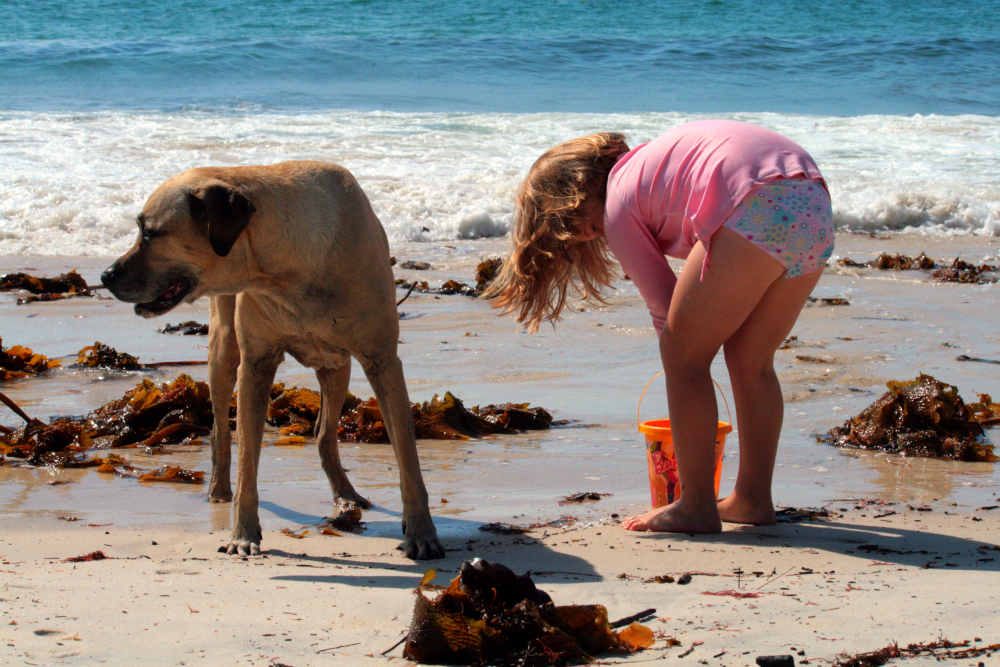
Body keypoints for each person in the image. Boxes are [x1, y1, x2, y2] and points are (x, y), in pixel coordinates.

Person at [485, 119, 834, 534]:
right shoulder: (652, 167)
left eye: (583, 225)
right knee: (751, 361)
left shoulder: (617, 202)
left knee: (683, 355)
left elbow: (663, 307)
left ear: (577, 190)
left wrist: (681, 363)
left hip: (752, 204)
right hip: (811, 200)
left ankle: (696, 505)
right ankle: (753, 498)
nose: (590, 235)